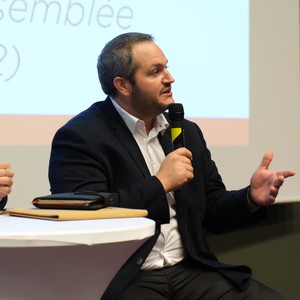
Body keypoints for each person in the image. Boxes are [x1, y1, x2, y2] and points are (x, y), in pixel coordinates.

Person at [48, 32, 295, 300]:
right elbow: (86, 218)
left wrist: (250, 198)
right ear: (123, 85)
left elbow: (211, 209)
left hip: (190, 270)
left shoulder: (185, 131)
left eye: (167, 67)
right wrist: (160, 183)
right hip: (125, 278)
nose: (170, 78)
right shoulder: (81, 136)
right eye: (156, 71)